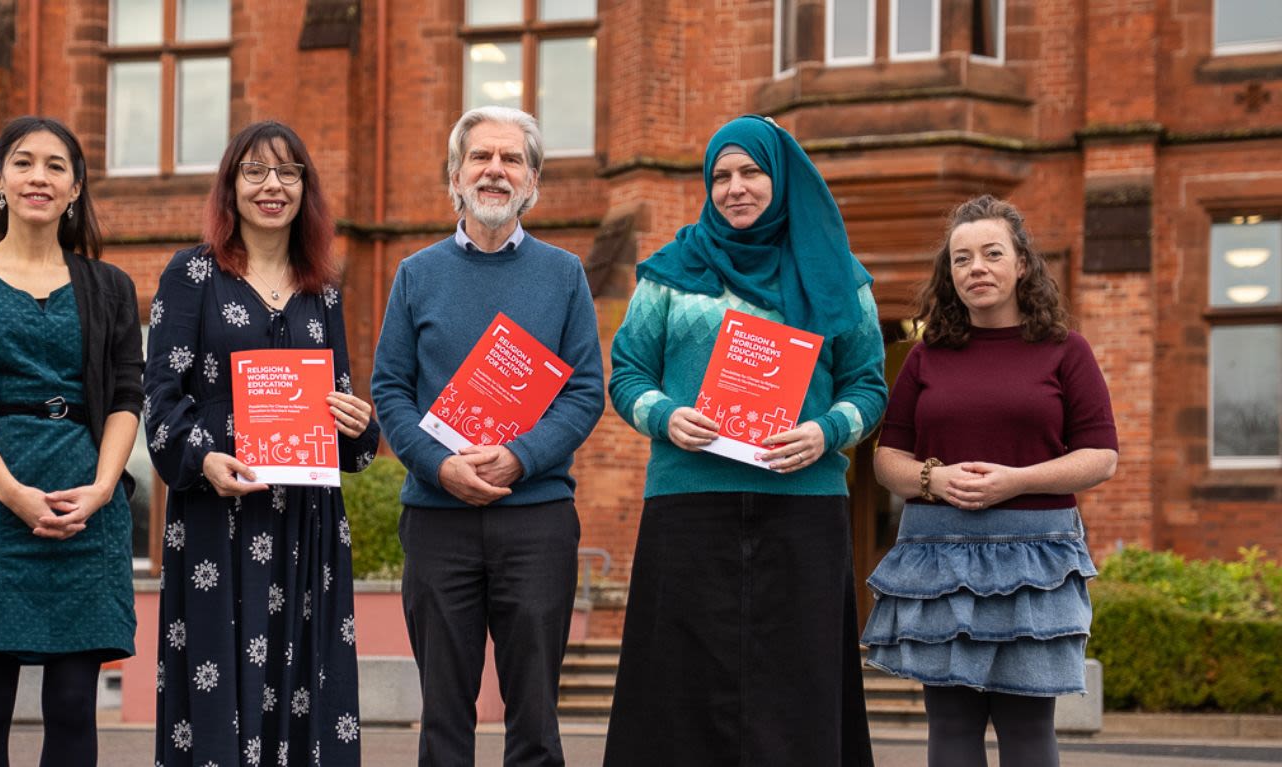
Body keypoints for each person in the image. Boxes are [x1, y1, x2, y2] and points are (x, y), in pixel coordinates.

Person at [603, 115, 885, 766]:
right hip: (688, 502)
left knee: (800, 682)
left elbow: (868, 385)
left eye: (751, 172)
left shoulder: (840, 276)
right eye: (721, 175)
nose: (735, 188)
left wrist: (825, 431)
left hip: (803, 506)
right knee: (679, 686)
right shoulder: (669, 273)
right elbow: (627, 372)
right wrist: (665, 415)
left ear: (780, 177)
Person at [370, 105, 604, 767]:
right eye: (480, 156)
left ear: (532, 183)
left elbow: (587, 390)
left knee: (535, 713)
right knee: (444, 715)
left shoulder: (564, 275)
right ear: (455, 175)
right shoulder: (416, 273)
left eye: (512, 159)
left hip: (537, 518)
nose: (495, 170)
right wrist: (441, 468)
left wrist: (520, 457)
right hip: (438, 518)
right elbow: (389, 388)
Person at [146, 120, 380, 767]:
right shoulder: (191, 274)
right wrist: (201, 459)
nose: (272, 185)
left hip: (307, 524)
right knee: (217, 688)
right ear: (231, 184)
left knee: (309, 681)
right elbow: (160, 397)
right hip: (217, 516)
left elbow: (345, 418)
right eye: (255, 171)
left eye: (288, 172)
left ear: (306, 188)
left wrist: (360, 424)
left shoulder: (322, 289)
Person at [0, 116, 143, 767]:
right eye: (23, 162)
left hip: (86, 510)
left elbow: (129, 396)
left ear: (76, 188)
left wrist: (102, 489)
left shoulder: (111, 288)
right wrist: (13, 493)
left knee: (74, 703)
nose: (38, 176)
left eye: (55, 165)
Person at [861, 195, 1118, 767]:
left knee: (1027, 726)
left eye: (991, 253)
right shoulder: (927, 356)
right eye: (961, 259)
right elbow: (887, 458)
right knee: (950, 727)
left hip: (1037, 557)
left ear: (1021, 263)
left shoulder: (1065, 351)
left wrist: (1016, 480)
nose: (976, 267)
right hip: (939, 555)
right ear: (949, 274)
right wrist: (933, 478)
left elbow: (1101, 456)